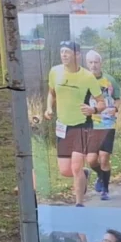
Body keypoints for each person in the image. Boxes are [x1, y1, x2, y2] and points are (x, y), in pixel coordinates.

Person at [44, 41, 104, 207]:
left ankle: (79, 204)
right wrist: (49, 108)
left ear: (77, 55)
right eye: (62, 51)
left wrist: (93, 110)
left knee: (76, 166)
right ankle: (84, 174)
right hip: (63, 127)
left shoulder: (87, 77)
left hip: (82, 126)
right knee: (65, 170)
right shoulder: (54, 72)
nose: (63, 55)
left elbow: (101, 103)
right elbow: (51, 93)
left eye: (67, 52)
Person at [83, 50, 120, 202]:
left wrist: (115, 108)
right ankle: (99, 174)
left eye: (96, 62)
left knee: (104, 157)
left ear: (101, 63)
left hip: (107, 124)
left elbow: (117, 98)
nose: (93, 65)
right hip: (90, 124)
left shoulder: (109, 80)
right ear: (87, 64)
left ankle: (105, 189)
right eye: (90, 62)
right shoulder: (83, 81)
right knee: (91, 160)